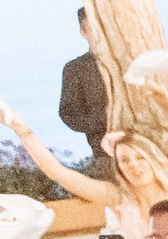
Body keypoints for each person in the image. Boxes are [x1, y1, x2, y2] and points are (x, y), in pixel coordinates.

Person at [0, 114, 168, 239]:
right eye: (124, 160)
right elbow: (58, 173)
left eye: (140, 157)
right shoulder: (118, 198)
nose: (133, 165)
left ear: (154, 159)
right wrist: (22, 130)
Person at [59, 8, 108, 161]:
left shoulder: (131, 63)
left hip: (144, 148)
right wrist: (103, 119)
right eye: (94, 28)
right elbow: (68, 114)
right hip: (103, 152)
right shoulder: (75, 69)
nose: (101, 33)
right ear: (84, 32)